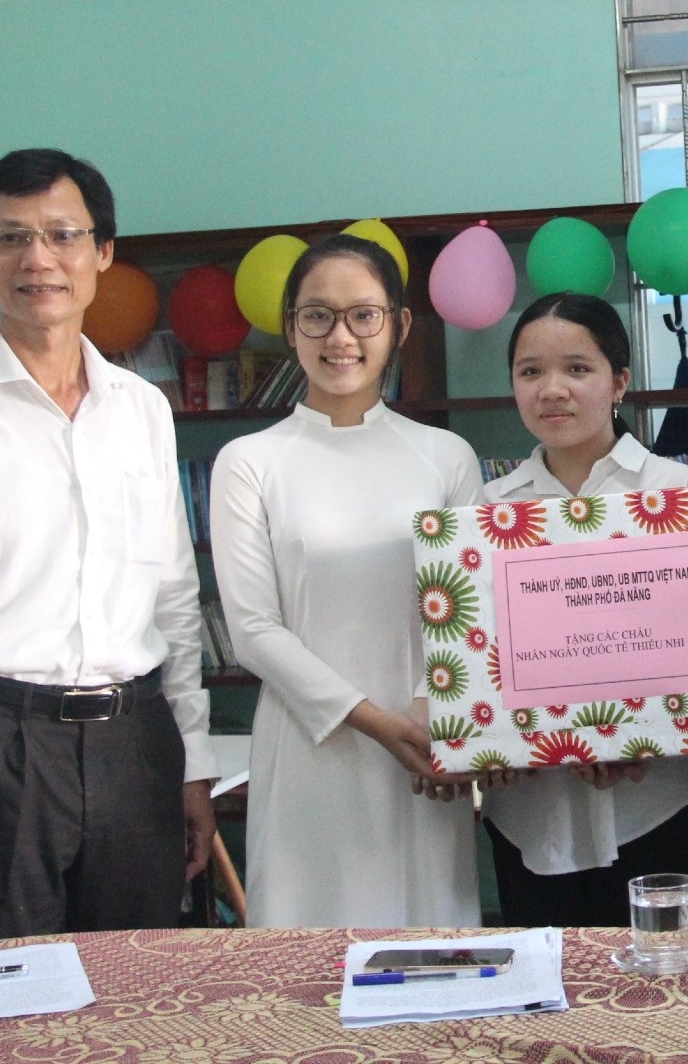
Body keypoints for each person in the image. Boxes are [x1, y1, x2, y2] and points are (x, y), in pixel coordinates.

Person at [0, 148, 216, 939]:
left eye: (62, 234)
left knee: (138, 995)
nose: (38, 259)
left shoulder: (142, 411)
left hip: (135, 743)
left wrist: (192, 761)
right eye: (11, 237)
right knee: (2, 1001)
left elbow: (174, 600)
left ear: (102, 253)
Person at [209, 234, 483, 928]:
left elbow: (467, 611)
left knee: (433, 956)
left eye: (363, 314)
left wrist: (425, 712)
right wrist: (373, 719)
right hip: (310, 749)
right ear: (290, 326)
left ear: (399, 324)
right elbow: (253, 630)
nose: (341, 337)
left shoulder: (445, 455)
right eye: (317, 315)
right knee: (307, 964)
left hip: (427, 748)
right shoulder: (250, 462)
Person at [479, 292, 688, 927]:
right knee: (546, 995)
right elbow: (479, 660)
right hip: (534, 809)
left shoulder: (677, 493)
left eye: (576, 369)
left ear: (620, 381)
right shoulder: (487, 510)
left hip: (657, 797)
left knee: (664, 992)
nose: (551, 389)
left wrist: (640, 731)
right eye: (531, 372)